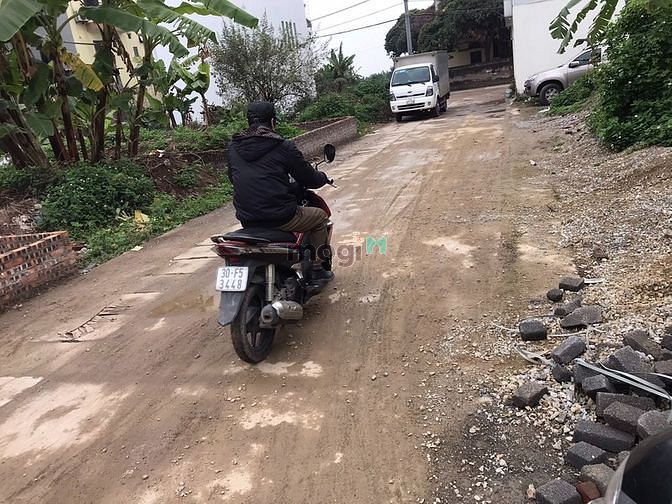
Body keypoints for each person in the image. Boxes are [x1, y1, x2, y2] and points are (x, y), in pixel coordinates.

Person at [227, 101, 333, 280]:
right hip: (281, 217)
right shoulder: (282, 146)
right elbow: (309, 179)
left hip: (247, 218)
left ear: (248, 121)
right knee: (320, 217)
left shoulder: (233, 147)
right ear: (272, 122)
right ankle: (316, 268)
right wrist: (322, 177)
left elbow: (233, 177)